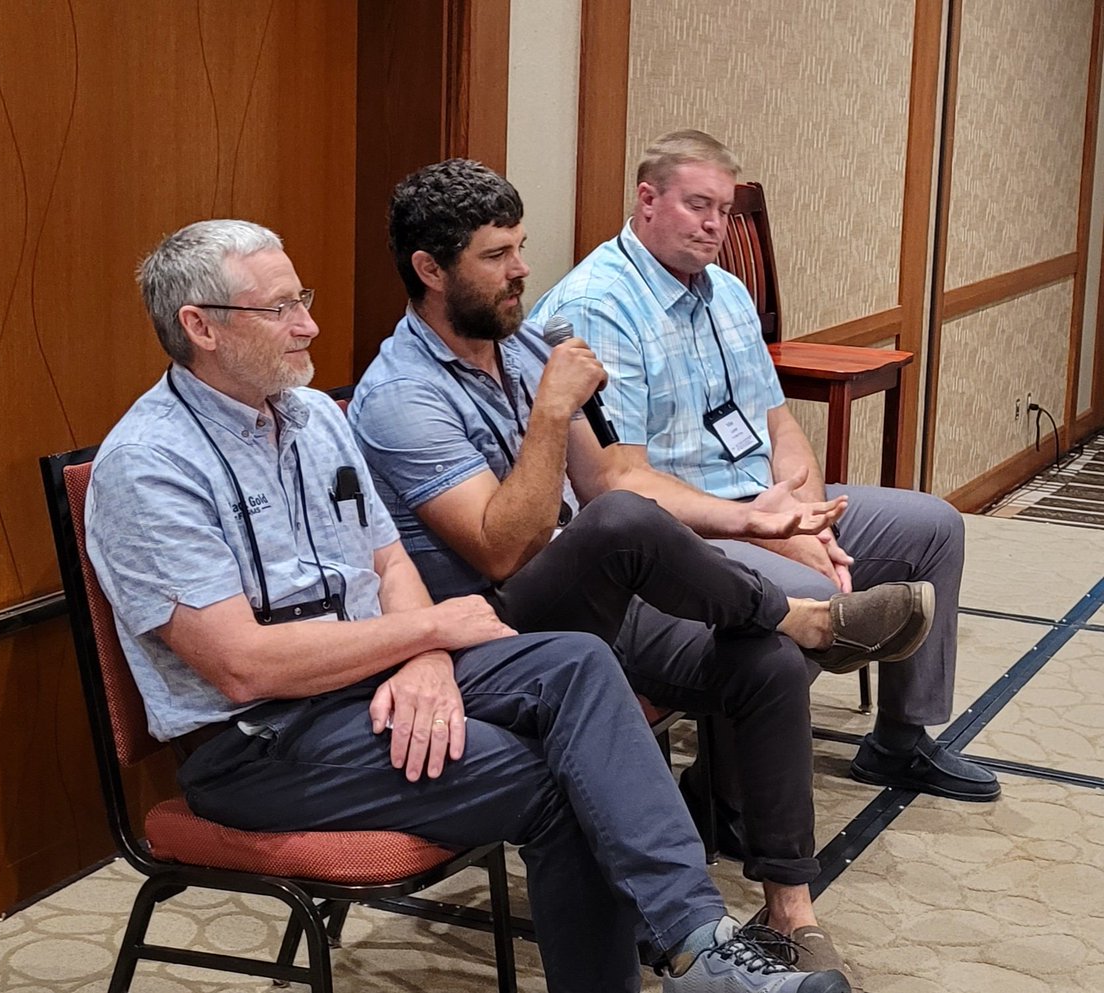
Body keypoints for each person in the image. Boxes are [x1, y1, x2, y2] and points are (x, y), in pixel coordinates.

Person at [84, 219, 852, 993]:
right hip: (261, 741)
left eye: (303, 299)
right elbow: (241, 666)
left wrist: (422, 656)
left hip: (365, 677)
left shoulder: (313, 415)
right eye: (280, 308)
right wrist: (427, 632)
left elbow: (385, 558)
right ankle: (697, 956)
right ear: (200, 327)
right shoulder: (150, 465)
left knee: (578, 661)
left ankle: (698, 946)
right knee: (564, 777)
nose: (308, 323)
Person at [348, 159, 933, 985]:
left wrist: (755, 517)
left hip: (586, 593)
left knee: (759, 662)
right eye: (496, 255)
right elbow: (501, 549)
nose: (522, 270)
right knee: (626, 529)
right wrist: (553, 410)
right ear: (431, 270)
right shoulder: (400, 396)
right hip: (488, 631)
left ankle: (789, 910)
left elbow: (602, 479)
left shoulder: (521, 347)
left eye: (521, 246)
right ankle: (795, 614)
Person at [530, 129, 999, 807]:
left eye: (723, 208)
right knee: (802, 595)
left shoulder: (725, 292)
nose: (716, 224)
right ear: (647, 200)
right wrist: (766, 530)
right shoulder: (596, 308)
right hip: (675, 531)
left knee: (934, 526)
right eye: (698, 205)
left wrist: (808, 519)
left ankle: (900, 739)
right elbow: (616, 484)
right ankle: (724, 794)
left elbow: (779, 424)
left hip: (761, 502)